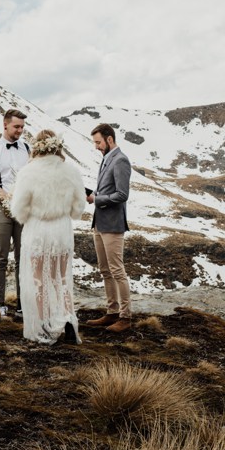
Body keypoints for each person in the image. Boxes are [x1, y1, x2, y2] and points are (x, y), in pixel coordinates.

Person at [6, 129, 86, 345]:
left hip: (39, 229)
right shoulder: (71, 171)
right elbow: (79, 208)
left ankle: (45, 325)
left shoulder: (29, 172)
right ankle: (68, 320)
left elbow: (19, 210)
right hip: (62, 229)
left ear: (36, 147)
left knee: (39, 279)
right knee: (61, 278)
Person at [0, 108, 30, 319]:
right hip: (0, 208)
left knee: (23, 258)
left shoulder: (27, 148)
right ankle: (0, 303)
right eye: (16, 126)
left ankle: (22, 305)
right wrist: (9, 199)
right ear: (5, 125)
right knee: (1, 257)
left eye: (22, 127)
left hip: (23, 210)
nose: (20, 130)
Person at [84, 123, 133, 333]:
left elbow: (122, 195)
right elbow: (106, 190)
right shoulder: (106, 159)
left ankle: (126, 316)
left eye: (98, 142)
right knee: (105, 270)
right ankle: (111, 312)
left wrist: (97, 198)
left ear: (109, 139)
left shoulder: (121, 160)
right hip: (100, 222)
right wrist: (93, 196)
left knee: (117, 270)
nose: (96, 146)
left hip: (113, 224)